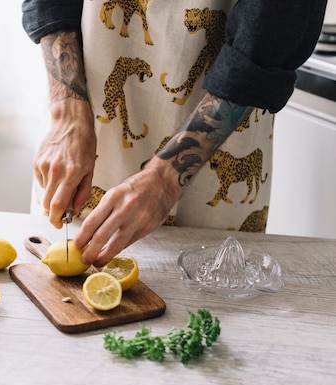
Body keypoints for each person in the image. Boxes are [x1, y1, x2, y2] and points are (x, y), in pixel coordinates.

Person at [22, 0, 327, 267]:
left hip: (222, 132)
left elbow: (277, 24)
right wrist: (67, 110)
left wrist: (167, 180)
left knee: (210, 292)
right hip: (84, 110)